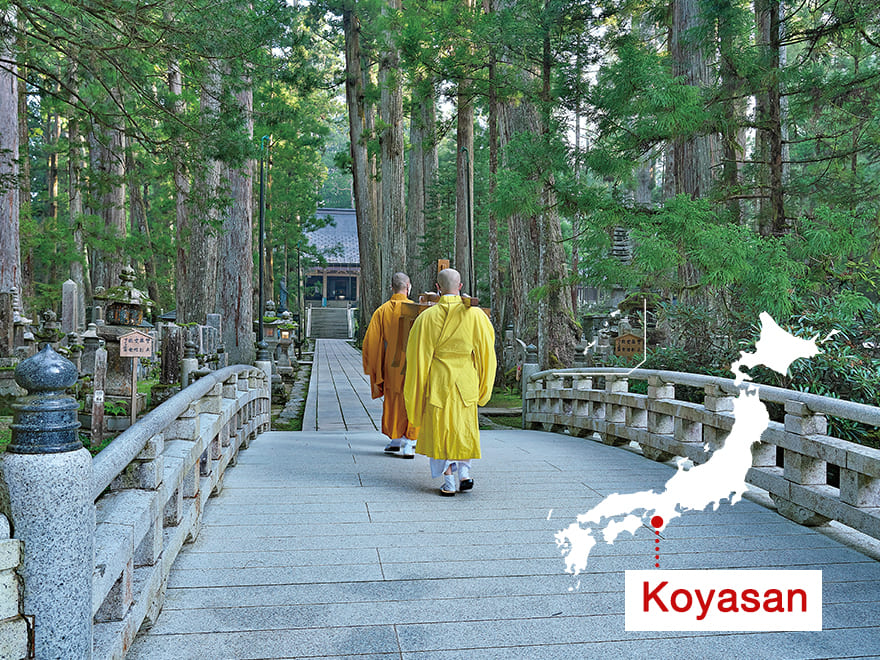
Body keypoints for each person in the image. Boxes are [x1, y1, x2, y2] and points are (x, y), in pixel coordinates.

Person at [404, 268, 496, 496]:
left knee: (441, 430)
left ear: (437, 287)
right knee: (463, 428)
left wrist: (417, 389)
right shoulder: (476, 316)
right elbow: (487, 355)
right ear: (461, 287)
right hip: (466, 381)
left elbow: (417, 358)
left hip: (439, 381)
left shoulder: (427, 317)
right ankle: (464, 473)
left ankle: (448, 482)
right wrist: (484, 385)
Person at [362, 272, 419, 457]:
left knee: (394, 399)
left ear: (391, 288)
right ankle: (409, 442)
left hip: (392, 365)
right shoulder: (418, 310)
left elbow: (371, 342)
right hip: (414, 363)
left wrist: (376, 365)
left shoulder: (382, 311)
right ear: (408, 286)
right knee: (412, 399)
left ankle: (395, 439)